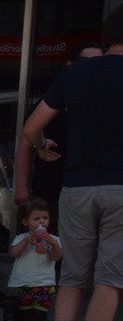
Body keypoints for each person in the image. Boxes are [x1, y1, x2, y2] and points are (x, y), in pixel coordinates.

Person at [23, 5, 123, 321]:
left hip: (77, 187)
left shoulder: (75, 74)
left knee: (72, 277)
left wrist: (43, 145)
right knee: (109, 279)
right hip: (121, 189)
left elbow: (32, 128)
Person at [14, 42, 105, 225]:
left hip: (91, 190)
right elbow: (26, 143)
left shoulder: (107, 100)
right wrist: (21, 188)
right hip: (50, 191)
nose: (90, 66)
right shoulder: (52, 99)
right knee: (48, 247)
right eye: (84, 61)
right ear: (70, 64)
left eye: (97, 61)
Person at [6, 198, 62, 321]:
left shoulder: (53, 239)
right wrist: (26, 242)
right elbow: (14, 253)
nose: (41, 222)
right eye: (36, 219)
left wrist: (53, 243)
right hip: (24, 282)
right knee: (25, 312)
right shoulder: (21, 238)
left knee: (39, 312)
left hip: (44, 283)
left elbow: (57, 257)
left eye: (45, 218)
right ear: (25, 222)